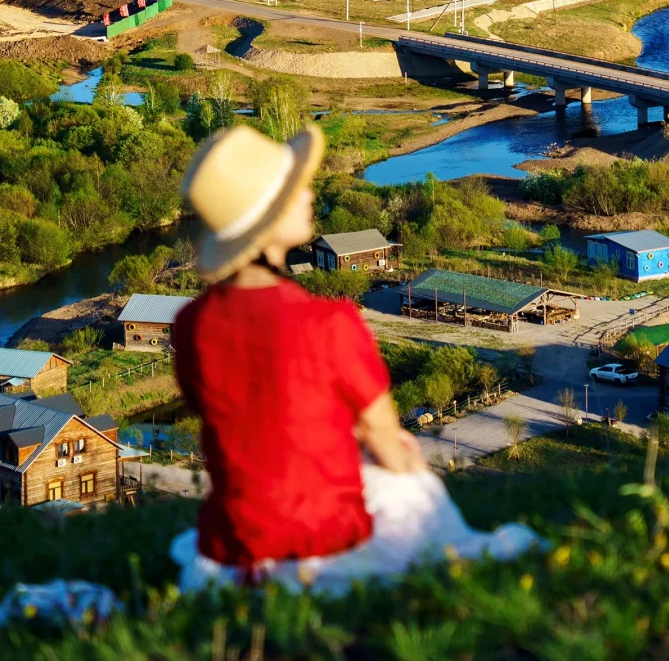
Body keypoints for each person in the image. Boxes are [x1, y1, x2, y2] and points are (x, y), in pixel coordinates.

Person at [170, 124, 538, 594]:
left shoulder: (191, 323)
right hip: (323, 541)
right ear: (271, 218)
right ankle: (454, 564)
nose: (308, 195)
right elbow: (383, 437)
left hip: (233, 541)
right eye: (295, 188)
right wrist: (391, 452)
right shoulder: (326, 322)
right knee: (405, 464)